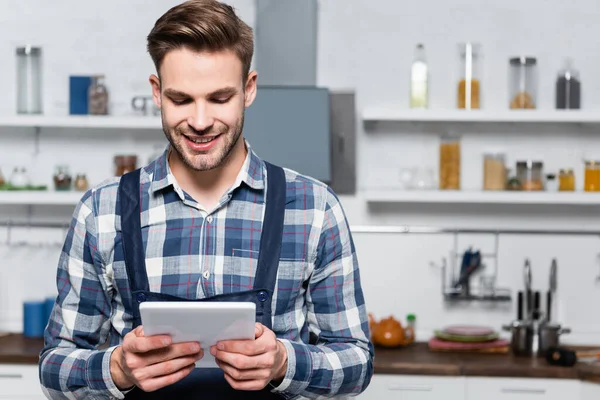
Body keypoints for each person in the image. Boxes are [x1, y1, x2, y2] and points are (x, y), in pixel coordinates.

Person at [38, 0, 374, 398]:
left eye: (219, 98)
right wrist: (117, 367)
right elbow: (55, 367)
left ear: (248, 90)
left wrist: (285, 362)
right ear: (157, 92)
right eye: (181, 100)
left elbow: (356, 361)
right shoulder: (101, 211)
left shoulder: (314, 208)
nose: (199, 122)